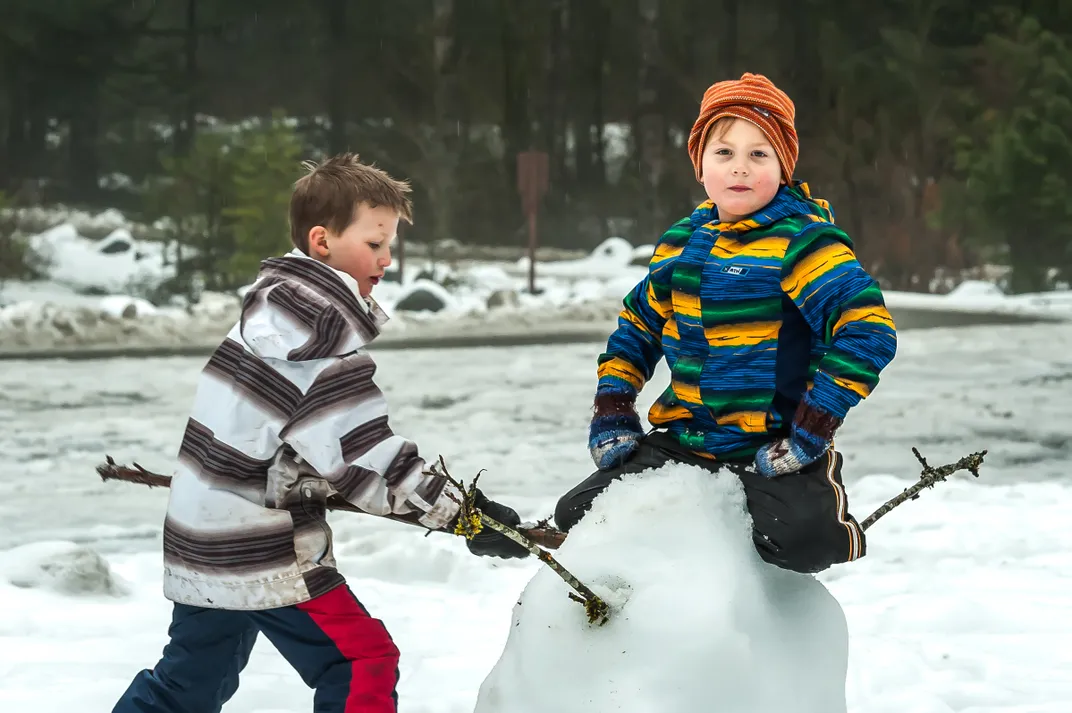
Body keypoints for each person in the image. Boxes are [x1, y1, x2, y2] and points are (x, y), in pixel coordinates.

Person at [113, 153, 528, 713]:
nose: (387, 259)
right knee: (361, 661)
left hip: (200, 534)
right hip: (259, 545)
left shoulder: (267, 315)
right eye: (374, 243)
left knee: (190, 683)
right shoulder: (319, 337)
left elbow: (282, 442)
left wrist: (306, 477)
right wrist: (463, 513)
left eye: (390, 245)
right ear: (321, 241)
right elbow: (365, 458)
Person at [555, 73, 898, 574]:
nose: (740, 168)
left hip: (771, 443)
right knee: (580, 517)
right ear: (700, 165)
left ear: (783, 166)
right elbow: (638, 328)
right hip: (684, 439)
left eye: (759, 154)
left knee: (807, 542)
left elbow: (868, 331)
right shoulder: (680, 242)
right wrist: (614, 406)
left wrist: (811, 427)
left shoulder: (804, 242)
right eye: (723, 153)